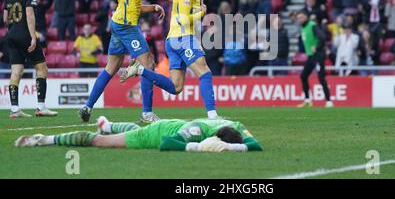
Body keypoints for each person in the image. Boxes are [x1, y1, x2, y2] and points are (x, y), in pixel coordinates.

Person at [78, 0, 175, 123]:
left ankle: (87, 107)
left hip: (118, 22)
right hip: (126, 26)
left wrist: (152, 7)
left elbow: (132, 5)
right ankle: (147, 114)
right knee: (148, 63)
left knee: (111, 68)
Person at [121, 0, 220, 120]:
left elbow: (191, 23)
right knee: (205, 73)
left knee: (176, 87)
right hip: (181, 39)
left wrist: (198, 42)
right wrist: (201, 13)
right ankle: (213, 116)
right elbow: (183, 20)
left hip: (174, 40)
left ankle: (140, 70)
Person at [15, 115, 263, 152]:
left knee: (135, 127)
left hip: (170, 122)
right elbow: (167, 144)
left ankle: (109, 124)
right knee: (99, 142)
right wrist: (199, 147)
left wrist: (234, 147)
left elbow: (256, 146)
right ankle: (44, 139)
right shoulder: (197, 130)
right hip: (156, 133)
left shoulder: (237, 126)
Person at [3, 0, 57, 118]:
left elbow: (5, 18)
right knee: (42, 69)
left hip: (11, 36)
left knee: (16, 72)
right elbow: (29, 13)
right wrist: (33, 36)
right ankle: (40, 107)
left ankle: (15, 109)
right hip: (25, 35)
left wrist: (13, 30)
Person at [297, 10, 333, 108]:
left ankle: (329, 101)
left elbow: (322, 37)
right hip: (311, 56)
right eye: (298, 18)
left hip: (318, 55)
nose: (299, 19)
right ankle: (308, 100)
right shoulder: (303, 28)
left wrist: (316, 47)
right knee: (303, 76)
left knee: (321, 77)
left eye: (301, 17)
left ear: (305, 17)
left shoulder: (312, 25)